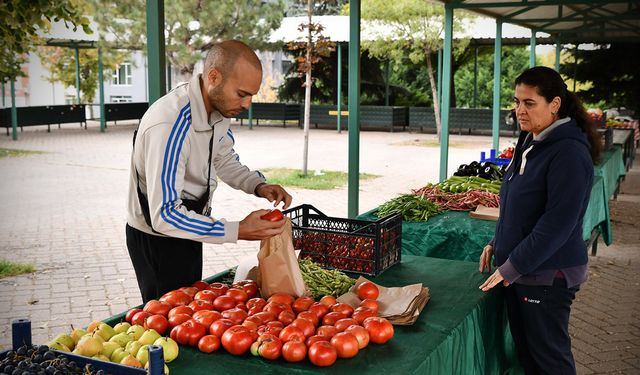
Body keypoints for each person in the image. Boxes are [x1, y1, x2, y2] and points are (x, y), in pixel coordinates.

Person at [126, 40, 292, 303]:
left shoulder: (217, 110)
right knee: (167, 325)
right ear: (214, 77)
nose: (247, 104)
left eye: (251, 95)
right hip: (158, 239)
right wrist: (237, 230)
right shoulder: (170, 125)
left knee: (191, 311)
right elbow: (165, 215)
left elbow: (223, 159)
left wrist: (257, 185)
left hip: (189, 226)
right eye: (241, 94)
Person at [478, 66, 601, 375]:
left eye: (529, 103)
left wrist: (513, 264)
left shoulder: (569, 154)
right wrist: (498, 241)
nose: (519, 110)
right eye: (517, 102)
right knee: (529, 359)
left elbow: (557, 224)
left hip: (547, 275)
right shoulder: (530, 138)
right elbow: (518, 202)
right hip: (524, 273)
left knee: (549, 360)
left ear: (555, 105)